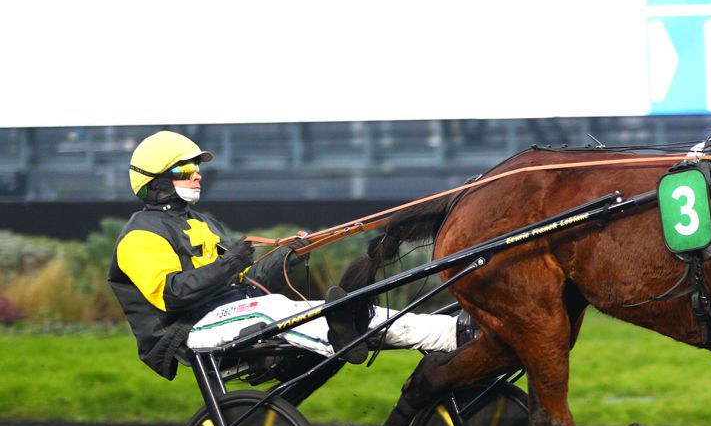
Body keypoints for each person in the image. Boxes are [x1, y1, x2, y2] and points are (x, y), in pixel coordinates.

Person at [108, 130, 462, 389]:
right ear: (157, 182)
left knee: (347, 307)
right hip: (186, 331)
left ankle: (451, 334)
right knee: (275, 308)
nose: (198, 174)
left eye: (197, 168)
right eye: (185, 170)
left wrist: (287, 256)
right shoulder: (139, 235)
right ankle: (340, 335)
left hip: (230, 313)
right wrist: (230, 263)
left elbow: (246, 282)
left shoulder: (202, 222)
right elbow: (171, 294)